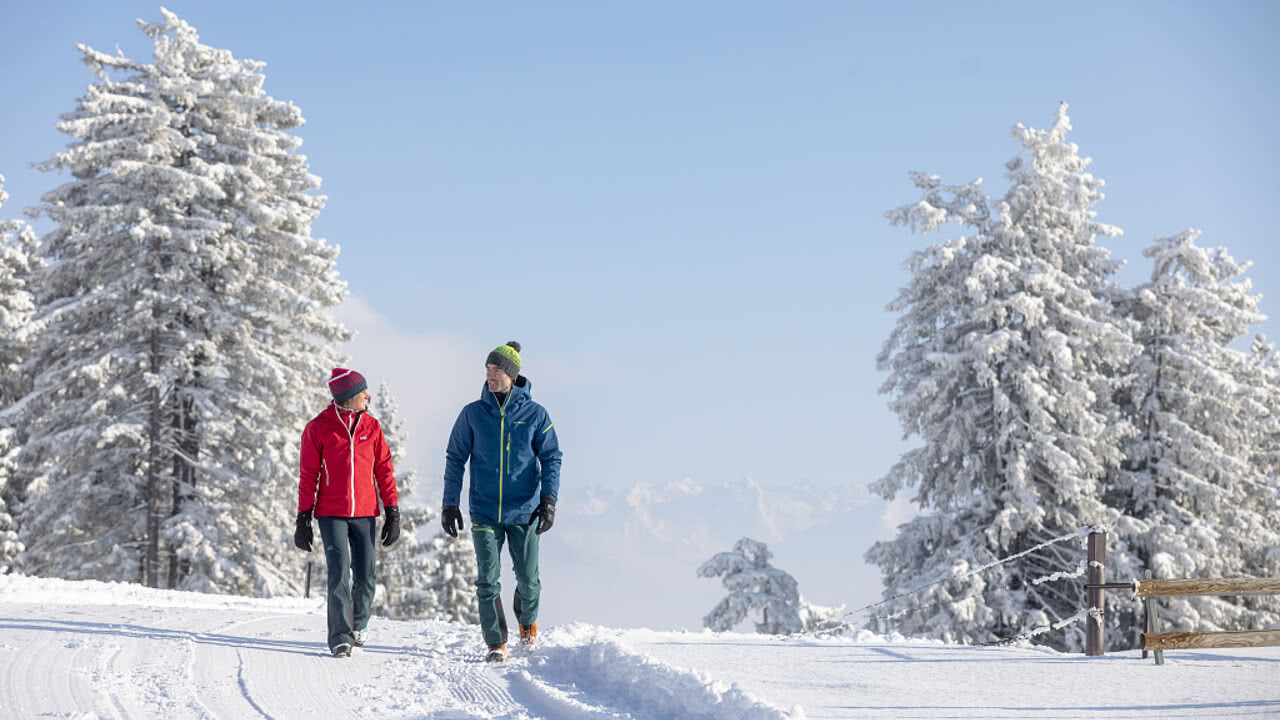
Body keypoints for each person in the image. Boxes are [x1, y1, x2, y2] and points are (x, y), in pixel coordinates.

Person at [442, 341, 562, 662]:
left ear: (511, 374)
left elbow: (551, 457)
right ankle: (496, 642)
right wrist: (450, 503)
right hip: (484, 511)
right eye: (487, 369)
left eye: (495, 370)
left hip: (525, 510)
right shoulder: (472, 414)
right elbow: (455, 458)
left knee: (527, 578)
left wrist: (549, 499)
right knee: (487, 580)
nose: (489, 375)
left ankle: (527, 625)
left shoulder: (536, 414)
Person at [294, 368, 401, 658]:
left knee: (366, 574)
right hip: (331, 513)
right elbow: (309, 474)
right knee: (339, 572)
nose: (368, 395)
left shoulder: (372, 428)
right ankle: (340, 637)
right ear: (348, 397)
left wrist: (392, 511)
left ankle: (358, 623)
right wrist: (303, 516)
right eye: (363, 391)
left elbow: (385, 471)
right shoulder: (319, 428)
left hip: (365, 512)